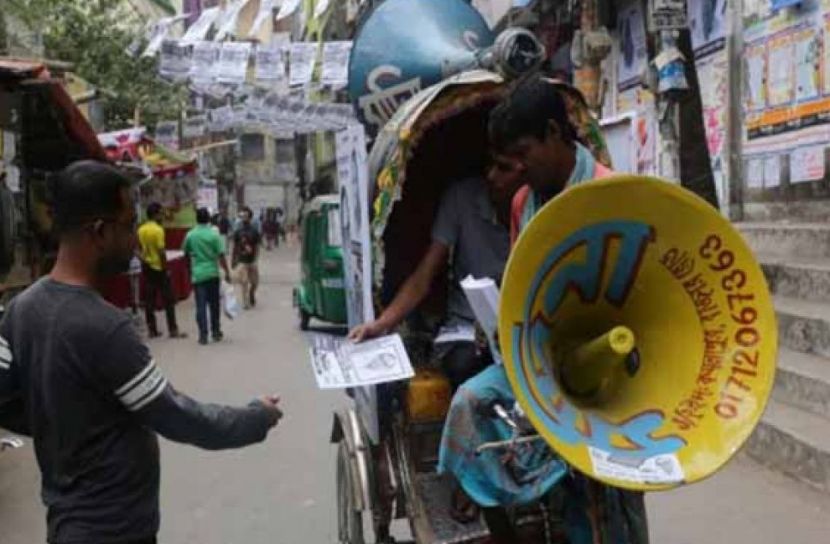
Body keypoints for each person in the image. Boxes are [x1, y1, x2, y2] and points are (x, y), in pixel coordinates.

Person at [0, 160, 282, 544]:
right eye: (129, 225)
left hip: (65, 524)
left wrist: (65, 426)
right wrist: (256, 417)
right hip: (114, 530)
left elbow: (5, 401)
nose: (135, 238)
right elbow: (177, 416)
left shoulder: (21, 309)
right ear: (100, 232)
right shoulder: (106, 328)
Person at [438, 76, 646, 544]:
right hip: (539, 359)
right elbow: (522, 283)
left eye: (523, 154)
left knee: (598, 499)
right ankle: (501, 515)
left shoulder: (614, 194)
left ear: (554, 133)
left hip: (606, 372)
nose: (518, 168)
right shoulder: (522, 202)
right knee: (468, 404)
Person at [348, 158, 525, 392]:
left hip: (521, 330)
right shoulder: (463, 198)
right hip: (467, 329)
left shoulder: (536, 207)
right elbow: (424, 276)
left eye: (505, 169)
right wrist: (381, 324)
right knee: (463, 367)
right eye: (489, 166)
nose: (492, 176)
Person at [183, 208, 233, 345]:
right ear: (209, 219)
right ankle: (216, 332)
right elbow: (221, 255)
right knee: (214, 305)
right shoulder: (214, 235)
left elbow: (186, 254)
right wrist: (227, 272)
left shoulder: (190, 235)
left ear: (196, 219)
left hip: (198, 274)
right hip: (212, 273)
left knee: (200, 306)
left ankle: (203, 335)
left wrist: (189, 271)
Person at [137, 202, 186, 339]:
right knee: (169, 299)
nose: (162, 216)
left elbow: (137, 248)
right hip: (159, 268)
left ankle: (152, 330)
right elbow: (161, 252)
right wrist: (166, 268)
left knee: (149, 300)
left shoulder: (141, 229)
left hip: (147, 267)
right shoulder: (158, 230)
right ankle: (173, 329)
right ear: (155, 214)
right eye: (160, 213)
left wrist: (144, 259)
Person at [232, 206, 262, 309]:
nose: (244, 217)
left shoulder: (254, 231)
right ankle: (245, 303)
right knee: (244, 282)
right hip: (242, 261)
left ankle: (251, 293)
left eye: (246, 215)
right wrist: (233, 260)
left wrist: (256, 259)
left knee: (255, 282)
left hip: (252, 260)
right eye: (242, 216)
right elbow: (235, 246)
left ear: (250, 217)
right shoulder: (238, 232)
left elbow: (257, 246)